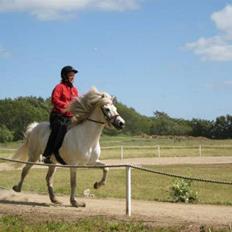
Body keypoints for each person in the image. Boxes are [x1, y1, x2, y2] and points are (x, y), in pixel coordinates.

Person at [43, 65, 79, 164]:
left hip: (70, 117)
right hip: (58, 116)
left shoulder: (75, 90)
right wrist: (66, 106)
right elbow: (54, 100)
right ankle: (48, 154)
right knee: (60, 127)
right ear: (64, 76)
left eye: (73, 75)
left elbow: (76, 103)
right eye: (71, 75)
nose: (73, 77)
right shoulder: (59, 87)